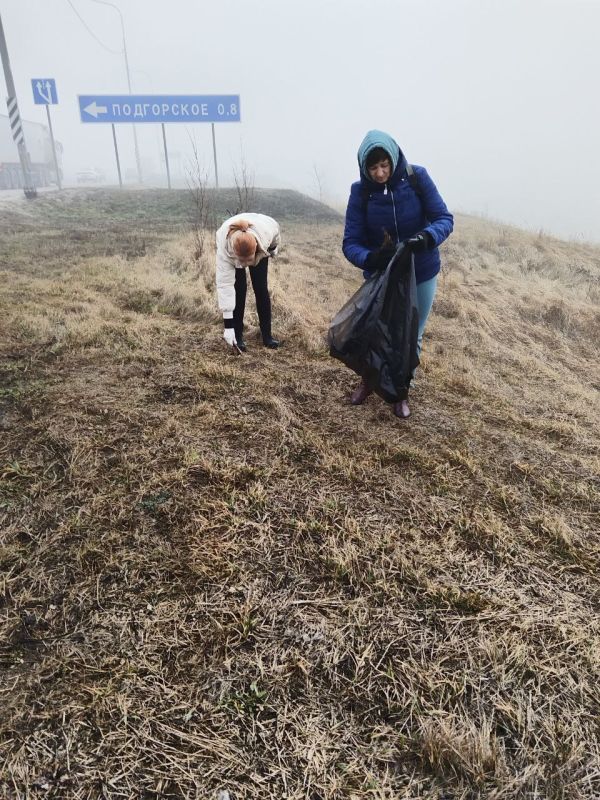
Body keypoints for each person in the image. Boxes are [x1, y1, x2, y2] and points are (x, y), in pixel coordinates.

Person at [342, 129, 453, 418]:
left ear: (394, 159)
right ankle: (368, 382)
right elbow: (350, 243)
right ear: (364, 168)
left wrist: (427, 237)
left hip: (422, 270)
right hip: (383, 276)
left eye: (385, 165)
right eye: (373, 167)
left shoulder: (417, 178)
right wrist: (371, 257)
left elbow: (444, 218)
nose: (380, 173)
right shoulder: (360, 192)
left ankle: (400, 392)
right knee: (374, 331)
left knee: (410, 335)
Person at [216, 213, 281, 351]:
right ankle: (238, 336)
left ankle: (267, 337)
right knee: (238, 290)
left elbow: (276, 237)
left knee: (261, 288)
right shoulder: (225, 247)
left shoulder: (266, 233)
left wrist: (272, 249)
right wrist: (228, 327)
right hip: (231, 246)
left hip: (260, 240)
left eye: (248, 261)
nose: (245, 265)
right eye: (242, 261)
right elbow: (225, 286)